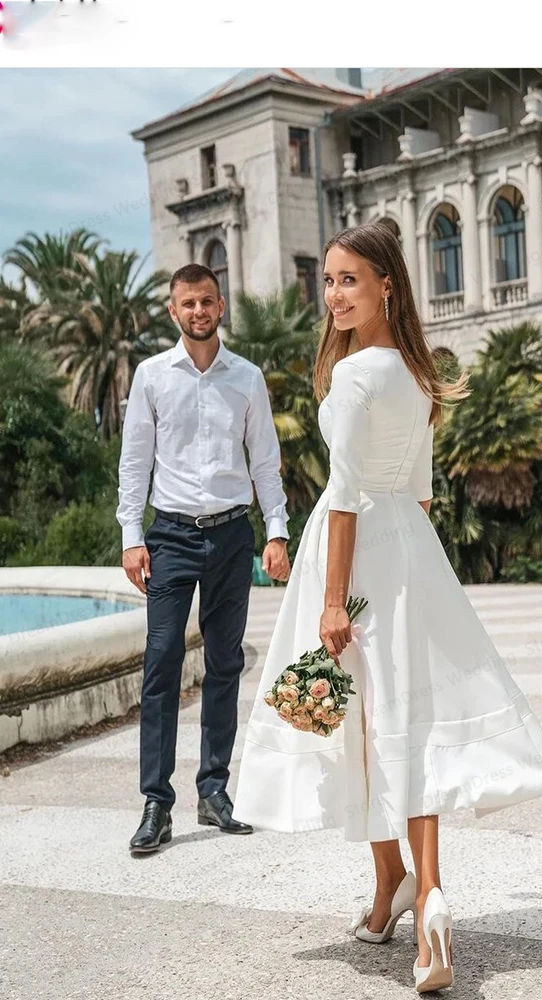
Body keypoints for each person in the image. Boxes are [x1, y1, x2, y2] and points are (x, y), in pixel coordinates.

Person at [232, 223, 542, 993]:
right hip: (411, 552)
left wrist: (328, 603)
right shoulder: (418, 373)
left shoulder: (353, 378)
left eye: (350, 279)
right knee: (400, 727)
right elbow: (416, 488)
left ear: (389, 284)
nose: (335, 295)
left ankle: (404, 894)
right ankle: (417, 895)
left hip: (352, 557)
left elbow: (343, 498)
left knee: (355, 725)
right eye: (328, 280)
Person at [117, 263, 291, 856]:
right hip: (169, 536)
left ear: (222, 307)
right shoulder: (151, 377)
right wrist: (130, 535)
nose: (198, 311)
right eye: (188, 303)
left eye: (207, 302)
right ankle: (155, 804)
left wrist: (276, 532)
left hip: (231, 537)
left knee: (223, 663)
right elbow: (134, 461)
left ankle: (214, 792)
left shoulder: (246, 377)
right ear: (174, 310)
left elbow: (265, 460)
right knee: (161, 664)